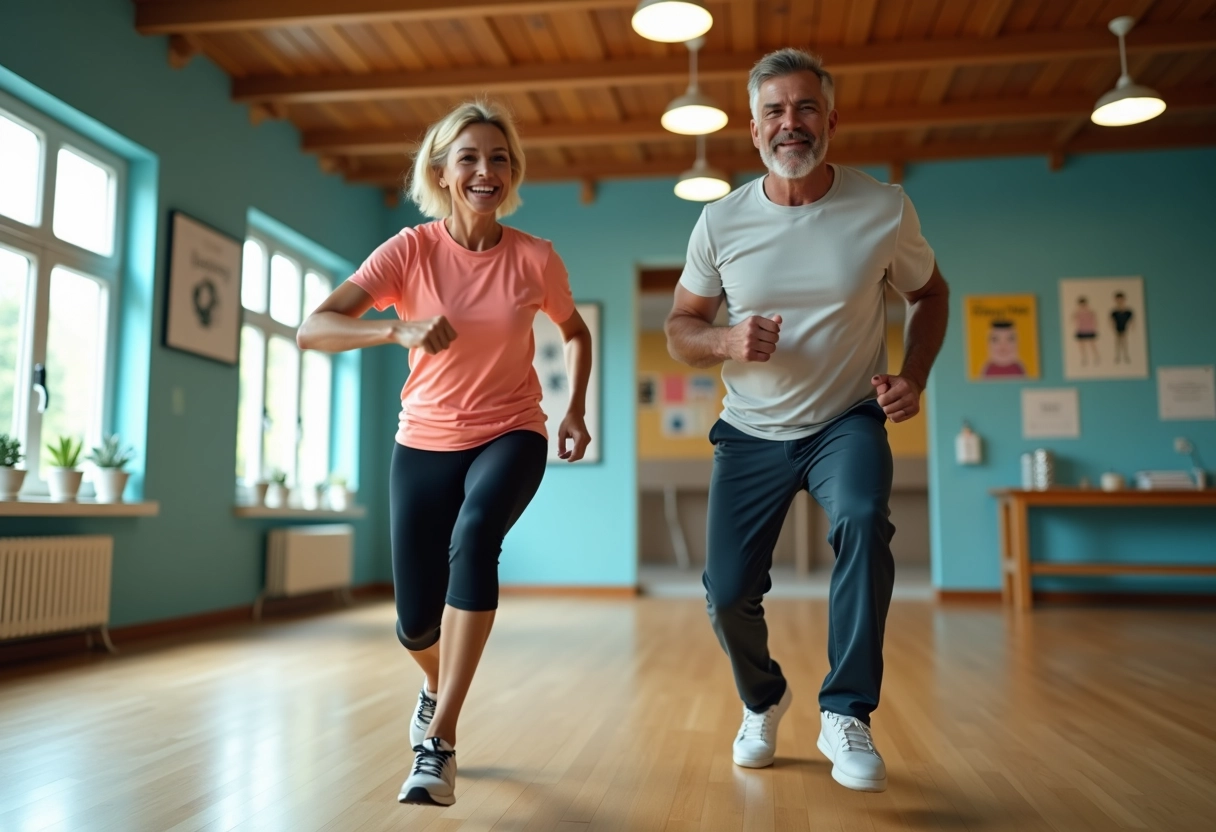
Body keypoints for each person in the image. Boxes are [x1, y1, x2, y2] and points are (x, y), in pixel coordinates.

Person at [665, 48, 949, 793]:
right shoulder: (720, 221)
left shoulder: (883, 207)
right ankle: (763, 699)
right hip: (751, 430)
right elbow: (681, 325)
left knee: (861, 519)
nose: (790, 123)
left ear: (830, 119)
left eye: (804, 108)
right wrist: (725, 339)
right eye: (774, 112)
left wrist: (913, 377)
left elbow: (931, 295)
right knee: (726, 593)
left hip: (846, 420)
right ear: (754, 130)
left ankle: (845, 711)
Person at [297, 100, 592, 807]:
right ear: (442, 172)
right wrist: (390, 334)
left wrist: (574, 407)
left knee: (476, 536)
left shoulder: (534, 257)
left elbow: (575, 331)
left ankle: (441, 743)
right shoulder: (409, 251)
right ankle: (435, 684)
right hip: (424, 441)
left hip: (511, 431)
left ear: (511, 172)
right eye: (469, 158)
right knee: (413, 624)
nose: (485, 170)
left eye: (498, 158)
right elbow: (315, 327)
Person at [1074, 296, 1099, 366]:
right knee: (1082, 346)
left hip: (1090, 330)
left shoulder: (1091, 312)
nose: (1082, 306)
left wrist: (1094, 328)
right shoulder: (1078, 313)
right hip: (1081, 331)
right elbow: (1075, 321)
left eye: (1083, 304)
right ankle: (1084, 358)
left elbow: (1095, 321)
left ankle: (1096, 357)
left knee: (1092, 345)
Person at [1111, 291, 1133, 364]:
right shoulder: (1114, 312)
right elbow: (1112, 322)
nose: (1119, 301)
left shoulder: (1128, 312)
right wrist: (1113, 329)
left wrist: (1130, 329)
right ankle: (1117, 356)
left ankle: (1126, 356)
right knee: (1117, 343)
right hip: (1117, 329)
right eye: (1118, 299)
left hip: (1125, 329)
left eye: (1121, 299)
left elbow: (1131, 322)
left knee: (1124, 343)